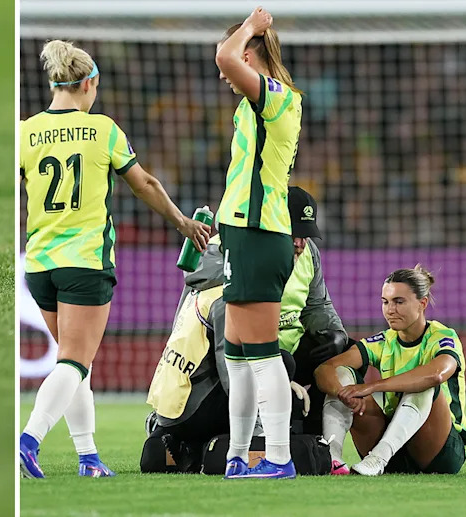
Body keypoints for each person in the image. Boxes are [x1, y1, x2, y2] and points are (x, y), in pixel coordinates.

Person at [18, 39, 210, 478]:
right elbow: (143, 183)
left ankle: (88, 458)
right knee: (74, 361)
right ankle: (29, 440)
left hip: (40, 263)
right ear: (91, 83)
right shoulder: (103, 129)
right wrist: (182, 223)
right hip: (84, 261)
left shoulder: (25, 131)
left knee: (75, 363)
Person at [141, 187, 348, 473]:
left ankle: (307, 439)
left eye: (306, 235)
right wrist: (263, 431)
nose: (300, 243)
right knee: (276, 365)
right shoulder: (231, 279)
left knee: (339, 352)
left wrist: (336, 334)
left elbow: (318, 306)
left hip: (262, 358)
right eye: (293, 234)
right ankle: (267, 446)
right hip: (208, 380)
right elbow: (231, 364)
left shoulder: (299, 255)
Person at [214, 7, 304, 479]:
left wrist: (251, 25)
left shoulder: (275, 98)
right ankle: (238, 453)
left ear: (250, 53)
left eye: (240, 54)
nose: (227, 77)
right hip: (241, 230)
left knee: (263, 350)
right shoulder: (260, 104)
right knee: (237, 352)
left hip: (258, 233)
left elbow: (225, 58)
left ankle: (280, 457)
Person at [315, 266, 466, 476]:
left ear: (422, 304)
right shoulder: (383, 340)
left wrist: (370, 387)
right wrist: (345, 394)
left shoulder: (443, 337)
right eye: (385, 301)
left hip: (440, 452)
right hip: (397, 448)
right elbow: (325, 369)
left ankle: (377, 459)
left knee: (424, 385)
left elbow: (436, 374)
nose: (390, 309)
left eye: (399, 302)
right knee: (344, 374)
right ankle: (333, 458)